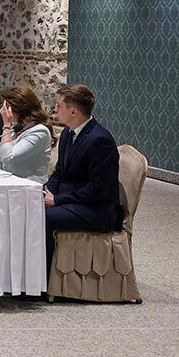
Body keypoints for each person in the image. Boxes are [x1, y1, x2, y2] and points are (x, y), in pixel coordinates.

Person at [43, 84, 121, 268]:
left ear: (74, 111)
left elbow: (98, 189)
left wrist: (57, 200)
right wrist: (46, 192)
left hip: (96, 210)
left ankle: (43, 278)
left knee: (43, 217)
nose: (55, 110)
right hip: (74, 200)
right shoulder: (67, 133)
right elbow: (60, 172)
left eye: (59, 106)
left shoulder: (100, 140)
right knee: (29, 207)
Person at [0, 86, 53, 184]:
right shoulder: (19, 127)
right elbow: (5, 158)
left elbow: (8, 158)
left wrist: (6, 125)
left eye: (7, 107)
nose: (4, 111)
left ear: (19, 108)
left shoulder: (40, 131)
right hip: (11, 182)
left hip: (29, 185)